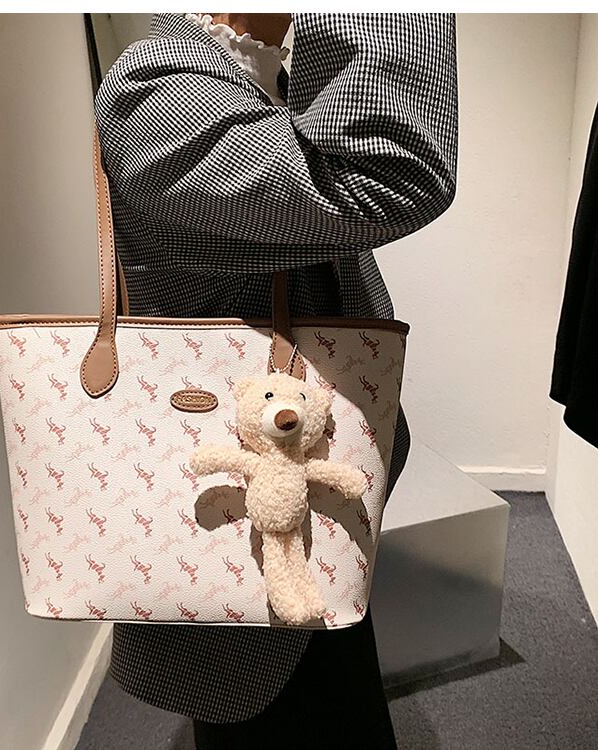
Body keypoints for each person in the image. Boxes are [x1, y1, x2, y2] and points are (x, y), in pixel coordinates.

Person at [95, 12, 458, 748]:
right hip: (237, 541)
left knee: (335, 689)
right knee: (284, 719)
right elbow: (388, 171)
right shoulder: (153, 91)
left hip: (310, 506)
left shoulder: (270, 81)